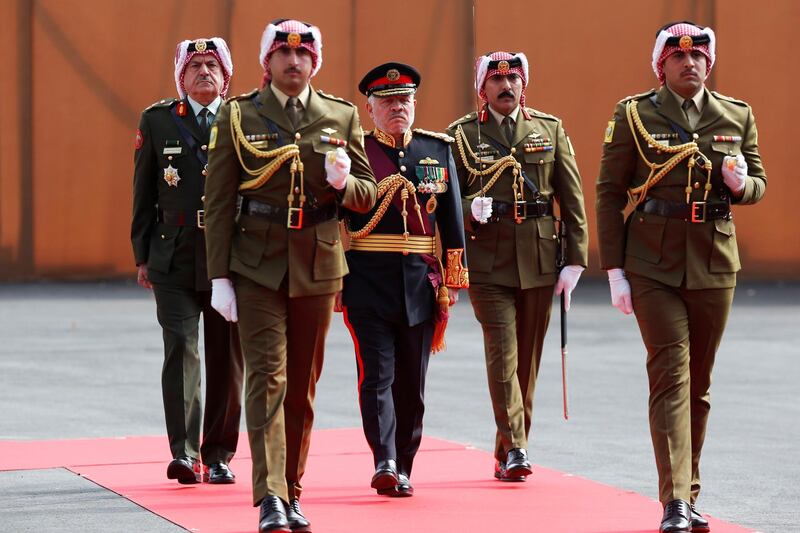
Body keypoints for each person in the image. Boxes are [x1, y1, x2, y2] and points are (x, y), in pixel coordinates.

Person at [203, 19, 377, 533]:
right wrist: (219, 278)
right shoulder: (239, 116)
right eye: (283, 54)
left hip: (319, 263)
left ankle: (293, 489)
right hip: (256, 262)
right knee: (266, 378)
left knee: (302, 386)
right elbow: (216, 204)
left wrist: (346, 184)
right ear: (268, 62)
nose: (294, 62)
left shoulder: (340, 116)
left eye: (303, 55)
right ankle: (270, 496)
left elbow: (368, 194)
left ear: (315, 62)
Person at [595, 21, 767, 533]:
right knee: (670, 374)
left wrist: (742, 184)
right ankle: (673, 501)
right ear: (661, 65)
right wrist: (615, 272)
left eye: (698, 58)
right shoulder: (635, 115)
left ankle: (689, 491)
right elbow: (608, 192)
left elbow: (758, 181)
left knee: (699, 384)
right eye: (678, 57)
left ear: (708, 64)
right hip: (653, 262)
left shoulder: (736, 114)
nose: (689, 63)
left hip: (715, 261)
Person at [447, 51, 588, 482]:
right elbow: (448, 200)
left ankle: (506, 449)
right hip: (489, 262)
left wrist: (576, 261)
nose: (506, 87)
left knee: (527, 361)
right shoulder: (462, 136)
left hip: (541, 259)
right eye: (496, 81)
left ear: (524, 85)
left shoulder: (549, 129)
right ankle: (519, 446)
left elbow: (572, 195)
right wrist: (472, 207)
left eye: (513, 81)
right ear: (482, 89)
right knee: (503, 354)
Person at [340, 62, 469, 497]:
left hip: (419, 283)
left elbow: (451, 221)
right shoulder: (356, 152)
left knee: (412, 385)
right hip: (366, 280)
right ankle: (385, 460)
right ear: (370, 108)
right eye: (387, 101)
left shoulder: (437, 150)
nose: (398, 107)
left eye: (404, 100)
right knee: (376, 375)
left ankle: (405, 464)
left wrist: (452, 278)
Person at [131, 37, 243, 486]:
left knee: (226, 356)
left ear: (226, 74)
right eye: (194, 65)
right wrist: (142, 255)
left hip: (229, 256)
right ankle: (184, 452)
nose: (203, 72)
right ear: (181, 76)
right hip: (172, 253)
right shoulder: (158, 121)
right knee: (180, 349)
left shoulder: (243, 119)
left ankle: (219, 454)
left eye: (212, 64)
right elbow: (143, 193)